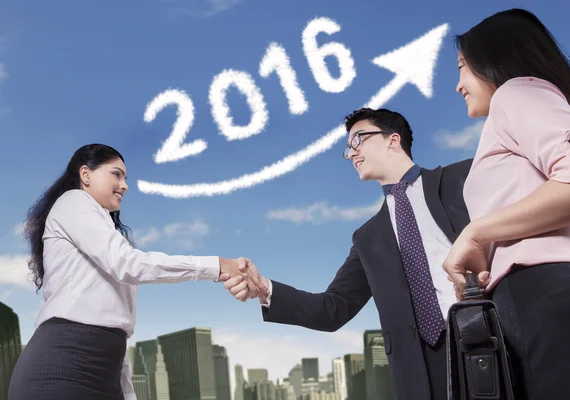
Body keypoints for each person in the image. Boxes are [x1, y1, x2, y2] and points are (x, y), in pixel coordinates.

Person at [220, 107, 472, 400]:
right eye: (347, 149)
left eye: (358, 140)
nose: (351, 154)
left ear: (393, 139)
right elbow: (332, 309)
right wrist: (265, 289)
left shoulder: (461, 178)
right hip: (419, 373)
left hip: (484, 339)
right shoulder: (368, 238)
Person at [8, 144, 267, 400]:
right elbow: (129, 264)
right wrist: (218, 265)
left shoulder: (104, 234)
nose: (125, 185)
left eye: (125, 178)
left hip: (104, 374)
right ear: (85, 175)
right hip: (62, 367)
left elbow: (119, 325)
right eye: (116, 174)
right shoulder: (73, 202)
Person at [442, 8, 570, 399]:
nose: (458, 84)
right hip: (559, 293)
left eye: (462, 66)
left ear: (494, 59)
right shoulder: (535, 109)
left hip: (546, 292)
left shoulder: (516, 93)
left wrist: (478, 231)